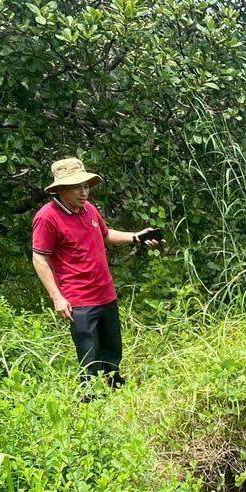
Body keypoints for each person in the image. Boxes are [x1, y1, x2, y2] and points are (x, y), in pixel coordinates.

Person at [31, 157, 159, 388]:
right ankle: (90, 405)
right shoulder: (47, 217)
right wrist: (57, 297)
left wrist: (137, 237)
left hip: (105, 293)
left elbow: (105, 235)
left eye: (86, 186)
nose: (83, 192)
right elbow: (40, 257)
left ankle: (116, 396)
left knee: (112, 353)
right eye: (76, 187)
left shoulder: (88, 209)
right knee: (90, 358)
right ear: (60, 189)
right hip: (79, 300)